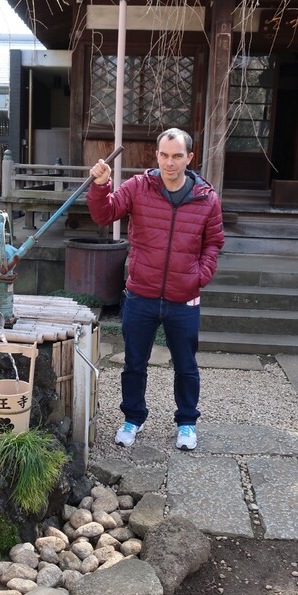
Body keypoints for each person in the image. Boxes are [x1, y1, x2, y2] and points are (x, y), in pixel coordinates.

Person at [87, 127, 225, 450]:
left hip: (184, 297)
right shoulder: (139, 187)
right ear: (157, 155)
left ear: (189, 158)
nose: (169, 163)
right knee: (134, 362)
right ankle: (132, 418)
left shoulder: (207, 198)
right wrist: (100, 184)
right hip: (141, 295)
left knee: (186, 365)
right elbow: (104, 212)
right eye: (164, 155)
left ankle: (187, 422)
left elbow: (214, 243)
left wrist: (198, 276)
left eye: (177, 156)